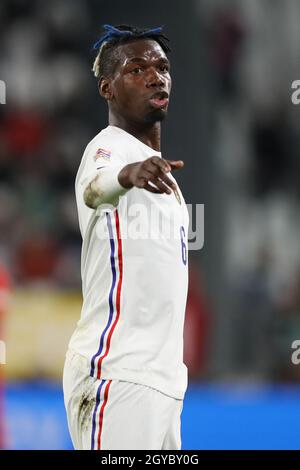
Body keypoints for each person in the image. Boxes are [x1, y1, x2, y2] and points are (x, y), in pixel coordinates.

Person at [63, 24, 189, 450]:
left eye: (162, 67)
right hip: (117, 371)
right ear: (107, 89)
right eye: (137, 69)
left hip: (163, 380)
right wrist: (127, 175)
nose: (156, 76)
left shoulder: (164, 175)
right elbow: (94, 187)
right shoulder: (109, 148)